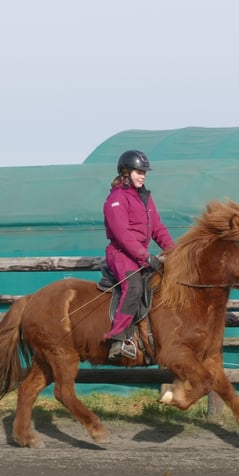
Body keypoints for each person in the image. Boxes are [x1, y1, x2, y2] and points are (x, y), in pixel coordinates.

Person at [103, 149, 174, 359]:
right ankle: (117, 338)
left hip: (139, 255)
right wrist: (145, 256)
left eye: (144, 172)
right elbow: (122, 234)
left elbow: (158, 229)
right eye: (138, 171)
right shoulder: (116, 199)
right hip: (121, 254)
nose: (142, 175)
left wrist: (175, 251)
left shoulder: (146, 198)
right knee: (133, 286)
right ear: (125, 172)